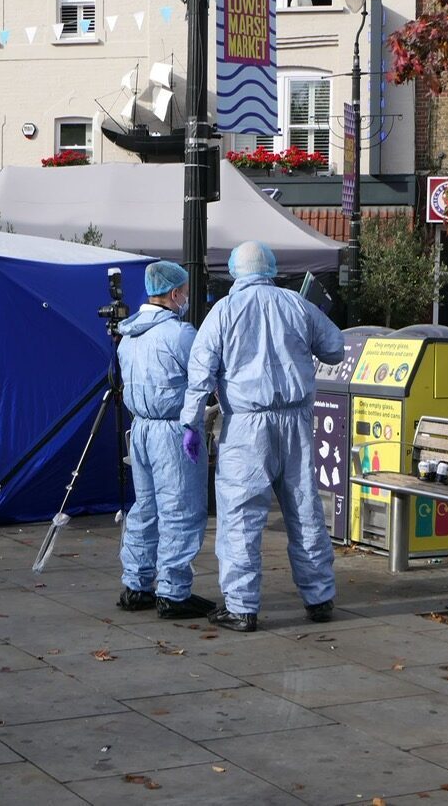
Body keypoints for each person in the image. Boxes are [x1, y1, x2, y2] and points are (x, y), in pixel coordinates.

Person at [180, 242, 344, 632]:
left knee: (241, 515)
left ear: (235, 271)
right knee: (304, 509)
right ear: (270, 268)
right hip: (295, 421)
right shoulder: (297, 304)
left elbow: (200, 373)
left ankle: (241, 606)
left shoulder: (223, 311)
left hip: (246, 425)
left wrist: (190, 423)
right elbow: (335, 349)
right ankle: (319, 596)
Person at [115, 260, 216, 619]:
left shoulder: (129, 335)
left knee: (146, 507)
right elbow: (205, 375)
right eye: (185, 292)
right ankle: (173, 593)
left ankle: (136, 584)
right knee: (180, 510)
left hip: (141, 429)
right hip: (174, 431)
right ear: (174, 294)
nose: (186, 298)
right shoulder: (179, 334)